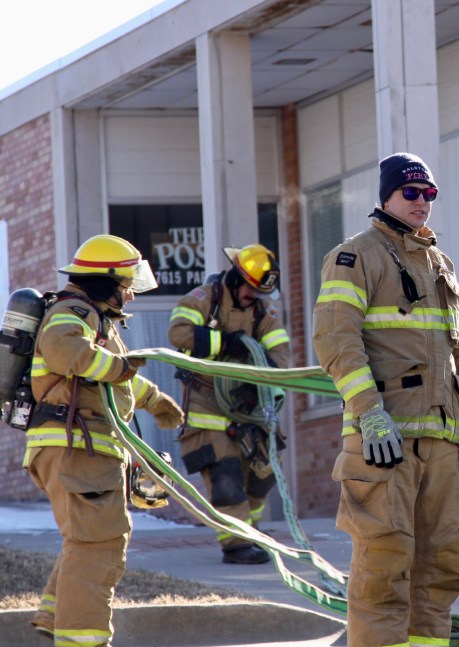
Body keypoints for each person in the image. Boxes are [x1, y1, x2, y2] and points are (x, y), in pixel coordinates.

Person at [312, 152, 459, 647]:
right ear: (386, 197)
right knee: (383, 567)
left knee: (439, 571)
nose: (422, 202)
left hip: (442, 443)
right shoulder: (355, 257)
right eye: (411, 192)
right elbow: (336, 341)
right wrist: (370, 415)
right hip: (384, 442)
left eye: (429, 193)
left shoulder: (439, 264)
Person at [25, 234, 185, 645]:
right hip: (76, 447)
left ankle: (54, 616)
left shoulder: (93, 318)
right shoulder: (73, 312)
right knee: (98, 546)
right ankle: (81, 640)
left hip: (79, 447)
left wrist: (153, 399)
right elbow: (66, 352)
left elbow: (111, 381)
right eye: (126, 285)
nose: (130, 295)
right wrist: (122, 368)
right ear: (105, 280)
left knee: (88, 540)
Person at [168, 243, 290, 565]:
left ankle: (251, 533)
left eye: (260, 292)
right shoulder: (202, 299)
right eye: (250, 289)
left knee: (264, 472)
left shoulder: (263, 311)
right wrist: (225, 343)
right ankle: (236, 545)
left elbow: (280, 355)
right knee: (226, 475)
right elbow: (178, 333)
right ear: (235, 278)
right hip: (207, 406)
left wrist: (256, 385)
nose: (253, 297)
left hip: (248, 408)